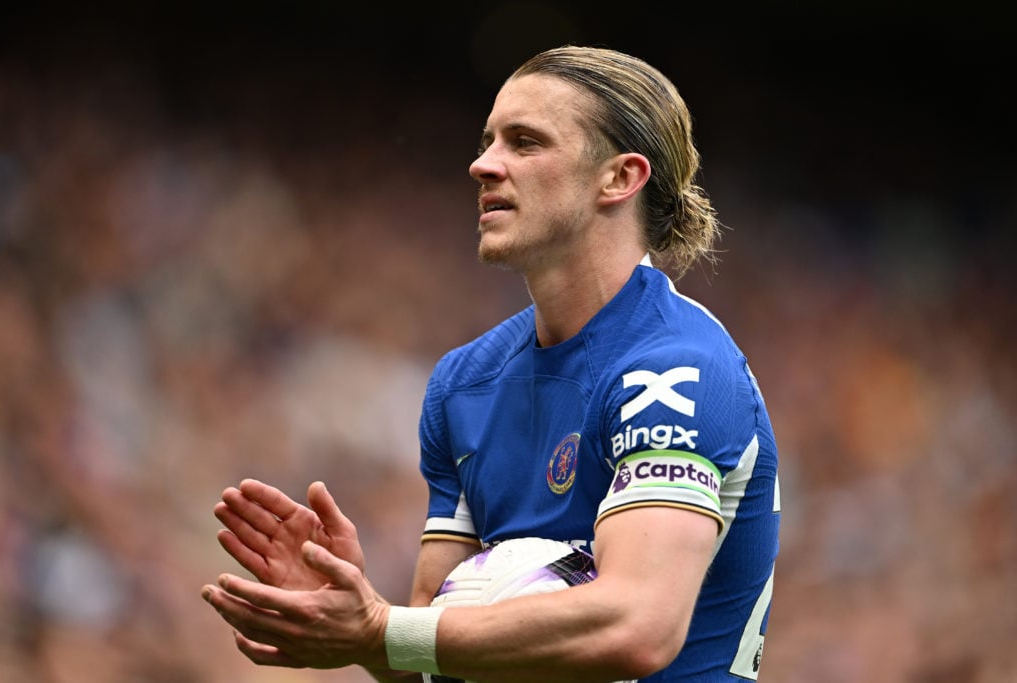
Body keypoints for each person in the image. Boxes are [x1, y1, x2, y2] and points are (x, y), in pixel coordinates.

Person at [201, 45, 781, 682]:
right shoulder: (464, 384)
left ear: (619, 178)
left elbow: (638, 625)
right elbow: (430, 660)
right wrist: (353, 624)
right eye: (487, 141)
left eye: (524, 142)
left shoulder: (675, 374)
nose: (482, 164)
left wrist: (381, 629)